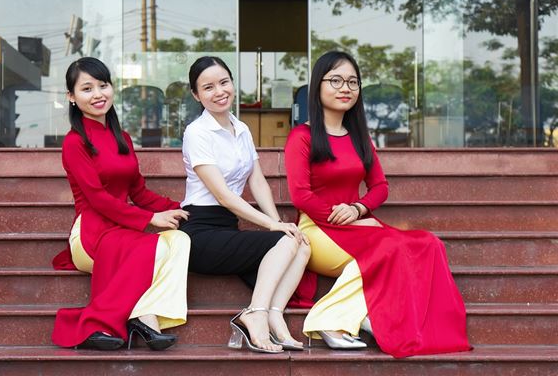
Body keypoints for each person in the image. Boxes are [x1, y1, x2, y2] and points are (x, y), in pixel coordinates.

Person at [284, 51, 471, 358]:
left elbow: (380, 187)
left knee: (428, 244)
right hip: (317, 229)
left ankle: (369, 315)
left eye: (352, 82)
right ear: (318, 86)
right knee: (390, 249)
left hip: (356, 224)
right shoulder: (301, 137)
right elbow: (300, 196)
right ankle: (329, 320)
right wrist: (346, 219)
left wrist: (358, 210)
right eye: (336, 80)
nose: (345, 88)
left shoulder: (359, 138)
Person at [51, 57, 191, 351]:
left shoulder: (122, 137)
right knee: (154, 247)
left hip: (123, 228)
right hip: (92, 232)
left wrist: (185, 205)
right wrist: (150, 219)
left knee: (179, 241)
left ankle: (145, 314)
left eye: (103, 85)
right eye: (87, 89)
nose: (98, 94)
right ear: (71, 97)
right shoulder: (74, 142)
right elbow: (98, 199)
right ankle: (101, 321)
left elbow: (139, 192)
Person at [179, 56, 311, 354]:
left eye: (224, 82)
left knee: (301, 244)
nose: (219, 91)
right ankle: (255, 313)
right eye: (208, 87)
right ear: (196, 95)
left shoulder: (241, 128)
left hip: (227, 228)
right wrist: (272, 225)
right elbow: (224, 196)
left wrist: (279, 224)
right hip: (200, 232)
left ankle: (274, 315)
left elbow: (258, 181)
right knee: (284, 240)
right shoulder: (197, 133)